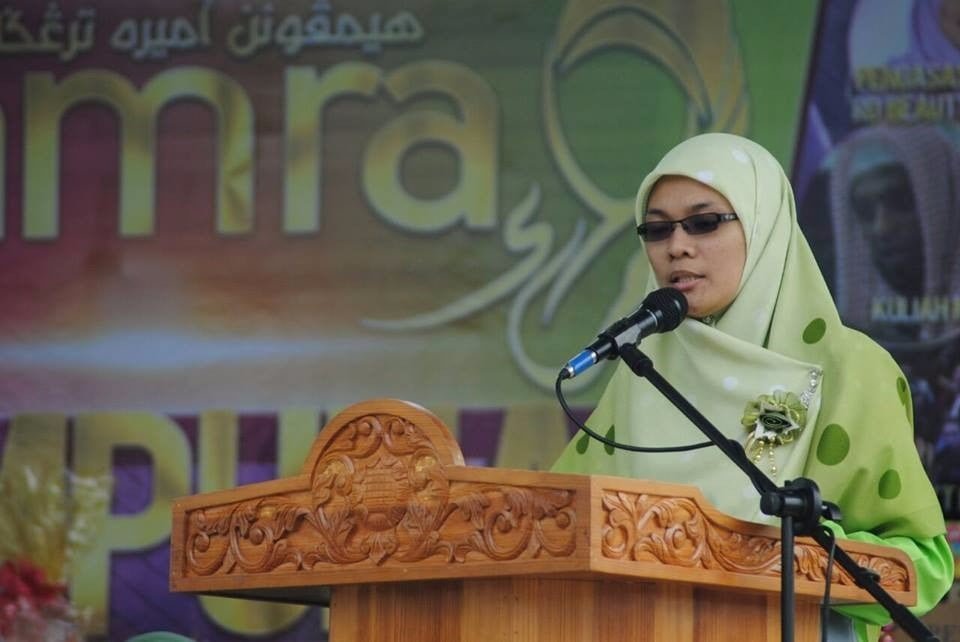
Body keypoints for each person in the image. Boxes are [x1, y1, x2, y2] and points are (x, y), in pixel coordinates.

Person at [551, 133, 953, 642]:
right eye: (656, 229)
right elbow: (558, 524)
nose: (677, 246)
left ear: (764, 225)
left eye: (703, 223)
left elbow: (925, 565)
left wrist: (784, 555)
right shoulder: (645, 368)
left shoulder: (851, 369)